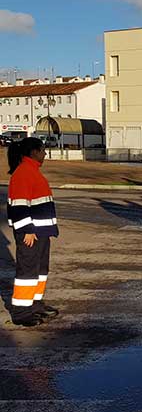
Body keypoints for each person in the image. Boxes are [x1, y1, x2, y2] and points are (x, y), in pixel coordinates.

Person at [6, 137, 60, 327]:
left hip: (41, 231)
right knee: (27, 271)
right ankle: (21, 312)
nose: (45, 154)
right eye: (42, 150)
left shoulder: (32, 171)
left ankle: (35, 304)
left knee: (40, 270)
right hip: (31, 232)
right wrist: (27, 230)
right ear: (33, 152)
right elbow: (19, 205)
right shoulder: (23, 173)